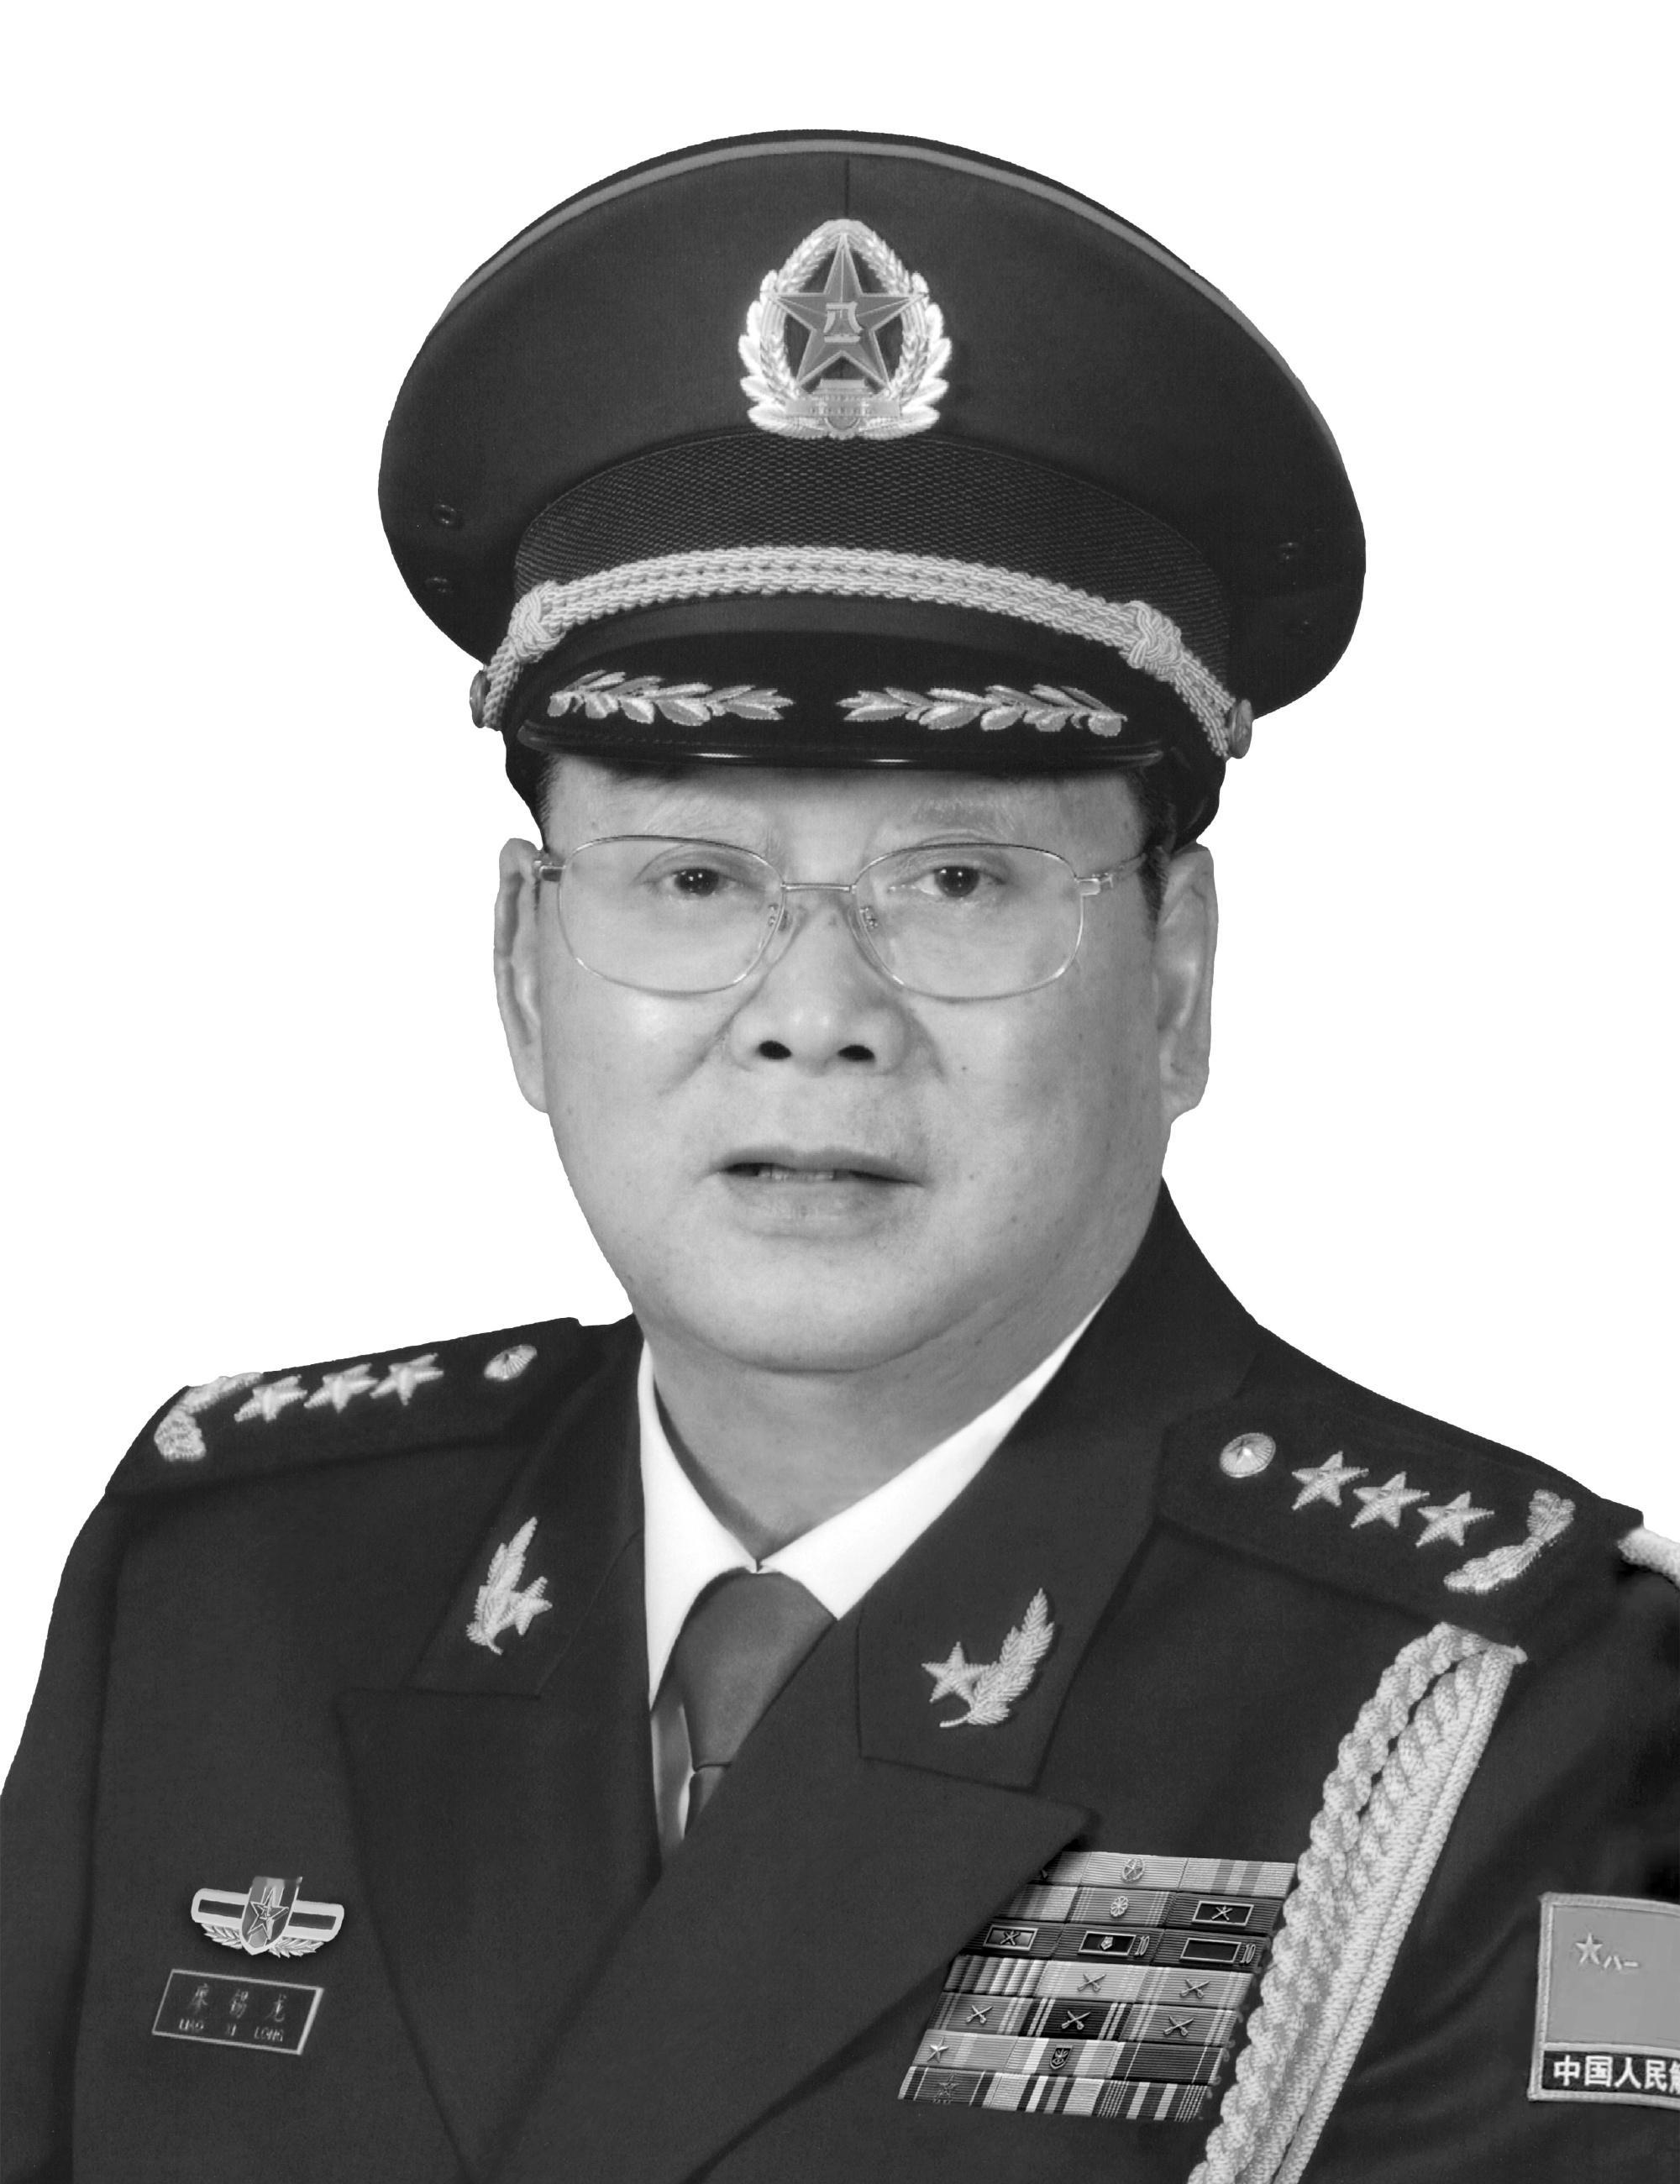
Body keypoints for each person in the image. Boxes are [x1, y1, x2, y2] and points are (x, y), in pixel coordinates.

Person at [3, 131, 1674, 2184]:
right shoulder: (229, 1582)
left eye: (955, 879)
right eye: (690, 876)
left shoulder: (1522, 1707)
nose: (813, 1011)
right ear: (523, 967)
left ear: (1171, 976)